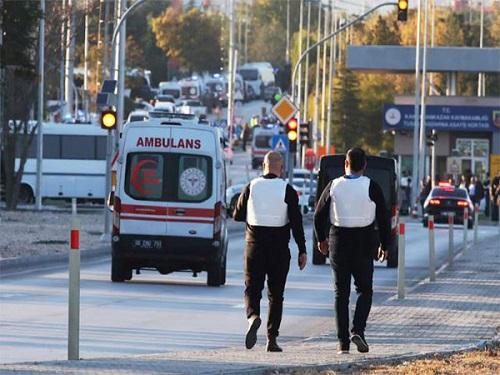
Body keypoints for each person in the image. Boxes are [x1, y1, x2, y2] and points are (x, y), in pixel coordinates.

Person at [314, 148, 391, 355]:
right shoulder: (371, 186)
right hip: (365, 241)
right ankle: (358, 330)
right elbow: (384, 218)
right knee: (365, 290)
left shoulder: (334, 185)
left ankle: (342, 343)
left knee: (341, 294)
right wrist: (385, 244)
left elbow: (319, 214)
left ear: (345, 164)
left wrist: (321, 239)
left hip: (338, 240)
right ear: (364, 165)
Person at [233, 151, 308, 352]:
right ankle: (271, 339)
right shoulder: (288, 190)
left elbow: (237, 214)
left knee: (252, 287)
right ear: (280, 167)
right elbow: (297, 223)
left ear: (263, 166)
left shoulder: (251, 186)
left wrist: (254, 212)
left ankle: (252, 317)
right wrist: (302, 250)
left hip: (254, 246)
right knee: (276, 295)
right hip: (279, 249)